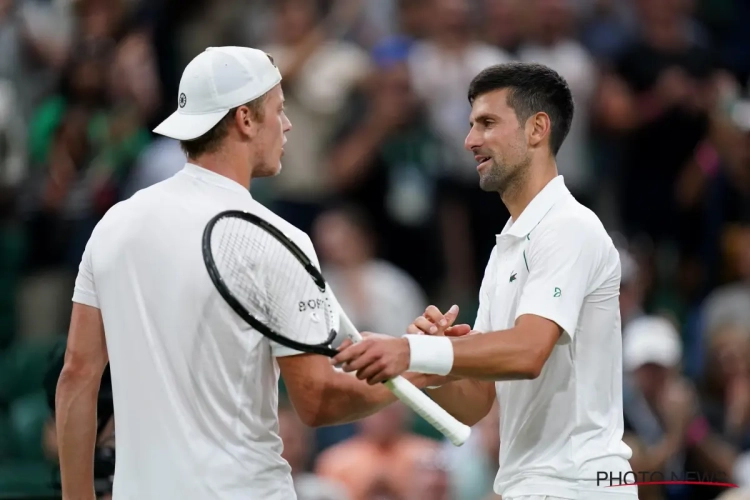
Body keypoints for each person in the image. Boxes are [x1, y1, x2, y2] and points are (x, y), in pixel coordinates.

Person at [54, 46, 438, 500]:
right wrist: (423, 367)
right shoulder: (279, 239)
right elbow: (317, 400)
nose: (288, 124)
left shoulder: (114, 224)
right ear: (245, 119)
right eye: (279, 109)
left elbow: (78, 374)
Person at [332, 62, 638, 500]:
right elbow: (478, 404)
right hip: (528, 484)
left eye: (487, 123)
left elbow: (529, 351)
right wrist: (438, 365)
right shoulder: (506, 248)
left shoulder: (569, 226)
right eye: (471, 124)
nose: (470, 140)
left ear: (537, 129)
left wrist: (415, 348)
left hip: (577, 485)